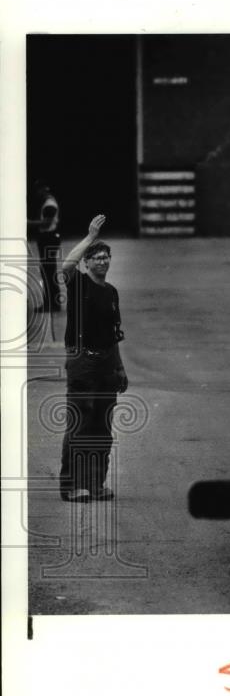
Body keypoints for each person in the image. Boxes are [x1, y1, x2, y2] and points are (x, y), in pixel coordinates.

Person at [59, 214, 128, 502]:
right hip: (82, 362)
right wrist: (89, 237)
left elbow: (115, 335)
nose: (102, 261)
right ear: (87, 263)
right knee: (80, 424)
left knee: (102, 428)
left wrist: (120, 369)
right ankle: (71, 486)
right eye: (96, 257)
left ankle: (96, 484)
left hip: (106, 365)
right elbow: (66, 265)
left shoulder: (112, 293)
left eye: (105, 256)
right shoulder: (79, 285)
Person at [27, 182, 62, 314]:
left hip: (49, 238)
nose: (38, 193)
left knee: (48, 272)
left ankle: (52, 304)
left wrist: (28, 223)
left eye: (39, 190)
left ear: (44, 189)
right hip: (48, 238)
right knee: (47, 271)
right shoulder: (48, 202)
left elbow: (47, 223)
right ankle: (51, 303)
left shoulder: (49, 203)